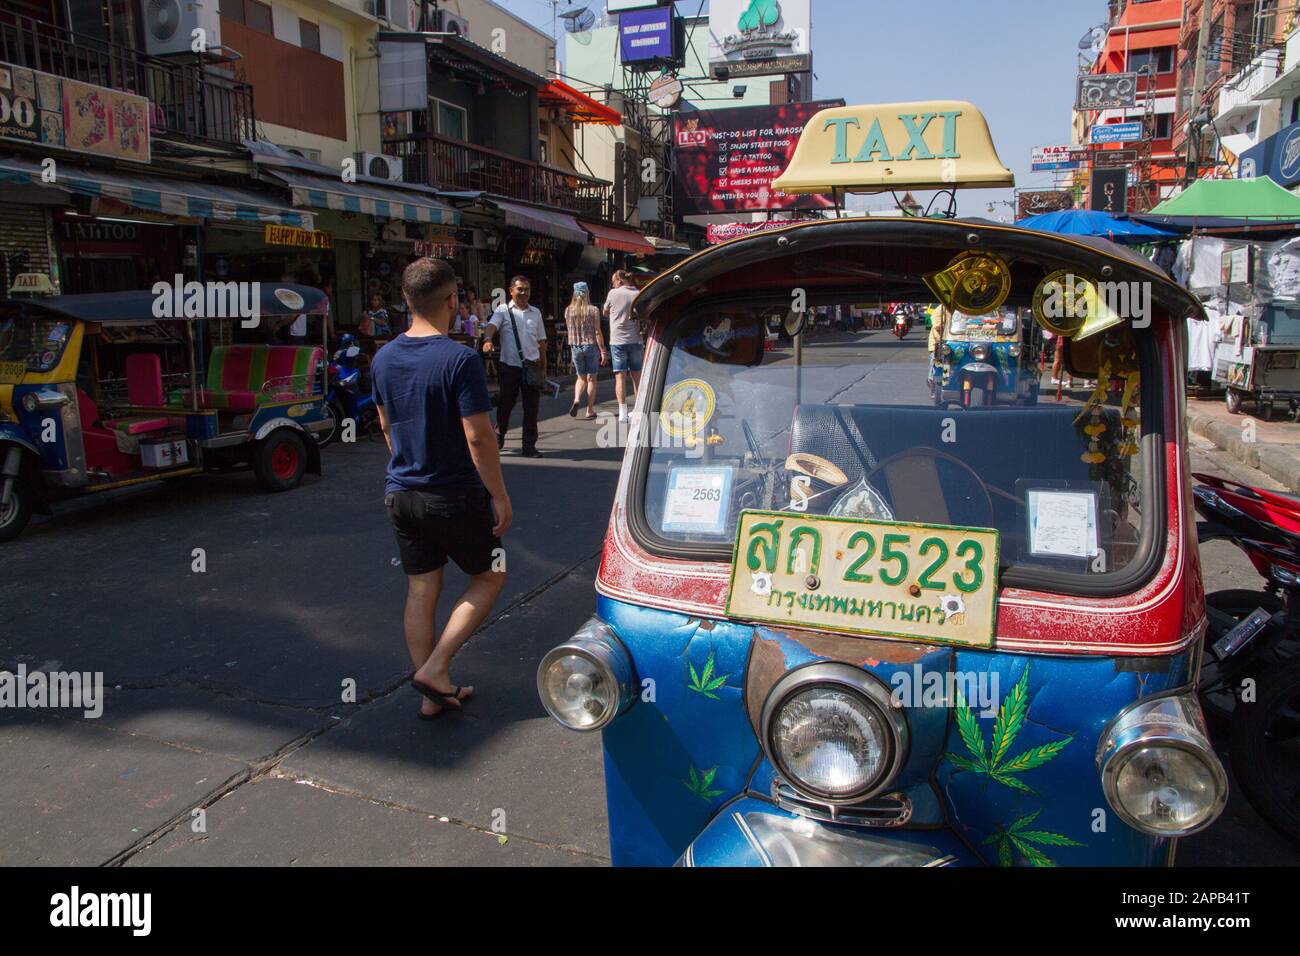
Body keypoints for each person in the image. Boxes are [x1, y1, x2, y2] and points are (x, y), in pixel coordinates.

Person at [371, 257, 511, 720]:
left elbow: (386, 426)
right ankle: (435, 670)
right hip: (451, 493)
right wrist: (499, 494)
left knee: (421, 586)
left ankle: (433, 693)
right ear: (452, 300)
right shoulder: (460, 358)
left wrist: (408, 459)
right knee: (491, 575)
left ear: (406, 301)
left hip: (401, 492)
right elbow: (478, 435)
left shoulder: (383, 357)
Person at [482, 275, 547, 458]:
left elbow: (541, 341)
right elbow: (491, 326)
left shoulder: (536, 313)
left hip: (532, 366)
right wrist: (487, 339)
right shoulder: (503, 310)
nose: (524, 292)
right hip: (510, 367)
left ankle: (529, 446)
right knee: (505, 405)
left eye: (527, 289)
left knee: (531, 408)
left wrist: (543, 366)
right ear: (511, 291)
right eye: (520, 289)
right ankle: (499, 434)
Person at [602, 270, 642, 422]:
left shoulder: (613, 293)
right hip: (635, 339)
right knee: (636, 377)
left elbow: (605, 312)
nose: (613, 284)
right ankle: (638, 411)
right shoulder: (637, 293)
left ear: (619, 280)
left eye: (613, 281)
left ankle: (623, 412)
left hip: (618, 340)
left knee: (620, 377)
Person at [564, 281, 606, 420]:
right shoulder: (593, 310)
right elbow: (597, 332)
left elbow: (569, 330)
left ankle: (576, 399)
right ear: (587, 293)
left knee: (581, 377)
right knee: (592, 378)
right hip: (590, 346)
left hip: (575, 347)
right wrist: (603, 350)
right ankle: (589, 410)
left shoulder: (568, 310)